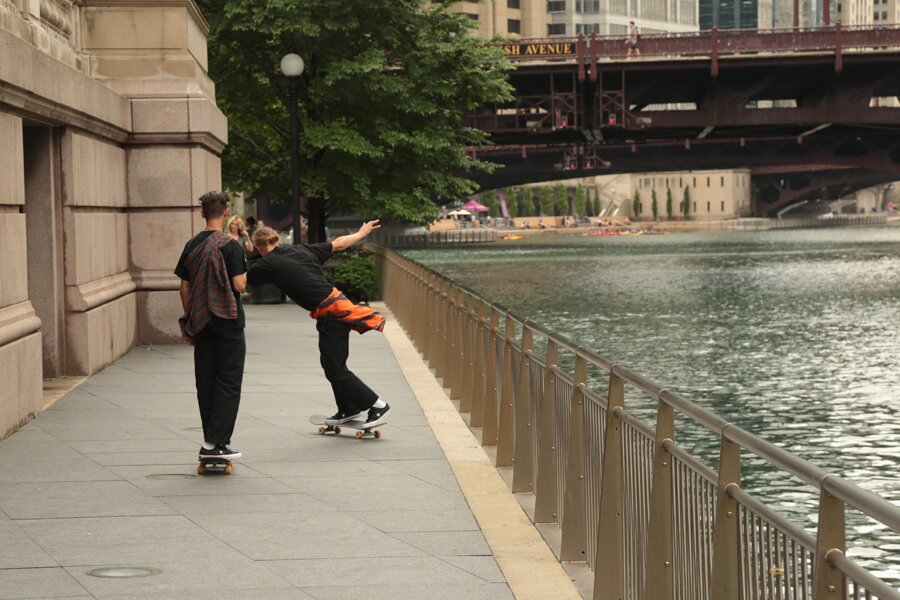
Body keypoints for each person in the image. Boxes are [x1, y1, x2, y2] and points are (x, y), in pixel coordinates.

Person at [248, 221, 390, 428]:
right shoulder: (300, 249)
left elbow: (240, 281)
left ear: (258, 247)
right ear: (277, 239)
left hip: (332, 314)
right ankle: (348, 408)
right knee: (333, 364)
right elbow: (339, 244)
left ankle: (378, 405)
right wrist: (360, 233)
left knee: (335, 369)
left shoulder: (267, 263)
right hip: (337, 306)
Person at [175, 191, 247, 461]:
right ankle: (215, 443)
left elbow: (184, 286)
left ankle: (210, 439)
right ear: (226, 213)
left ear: (203, 213)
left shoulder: (192, 244)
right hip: (228, 321)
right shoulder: (231, 245)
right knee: (228, 381)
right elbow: (239, 285)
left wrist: (191, 313)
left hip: (202, 321)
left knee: (205, 380)